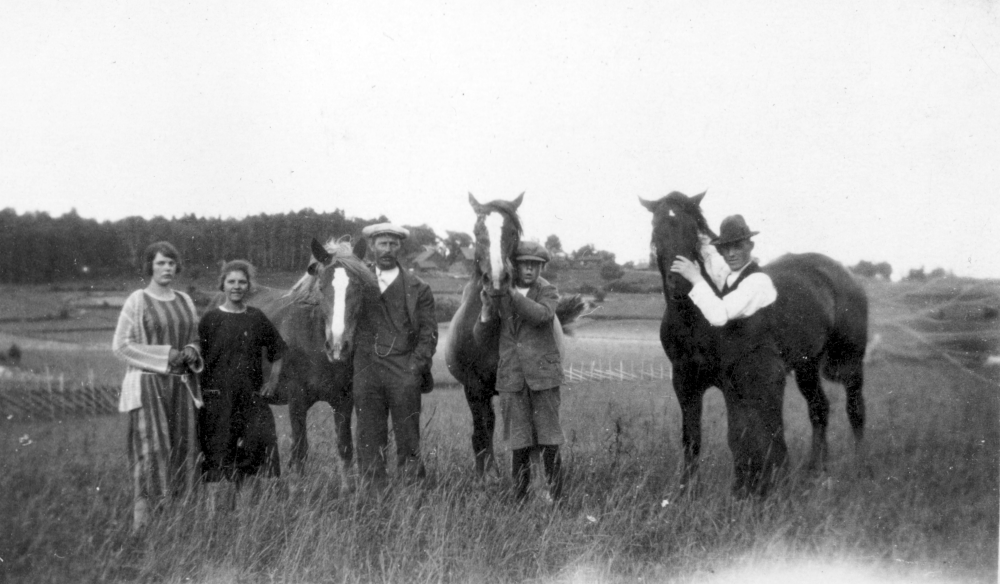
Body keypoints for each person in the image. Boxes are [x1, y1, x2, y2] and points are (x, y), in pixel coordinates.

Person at [669, 214, 788, 493]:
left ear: (750, 246)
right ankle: (745, 499)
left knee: (765, 439)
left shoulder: (757, 282)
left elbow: (719, 314)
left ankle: (773, 501)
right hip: (738, 375)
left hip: (761, 374)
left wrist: (695, 278)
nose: (731, 253)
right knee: (739, 438)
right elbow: (711, 259)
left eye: (738, 246)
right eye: (726, 248)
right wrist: (696, 236)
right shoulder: (731, 276)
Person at [112, 241, 203, 532]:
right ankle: (143, 524)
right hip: (148, 385)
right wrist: (166, 355)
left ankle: (178, 522)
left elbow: (195, 337)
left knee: (183, 448)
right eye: (160, 262)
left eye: (171, 263)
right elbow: (121, 346)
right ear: (150, 266)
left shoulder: (185, 300)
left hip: (181, 386)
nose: (166, 268)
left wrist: (190, 349)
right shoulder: (137, 300)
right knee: (152, 449)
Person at [474, 241, 565, 503]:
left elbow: (541, 316)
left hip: (543, 378)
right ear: (515, 265)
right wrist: (486, 310)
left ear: (542, 268)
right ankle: (520, 499)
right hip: (512, 378)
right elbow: (482, 338)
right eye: (525, 264)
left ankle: (556, 498)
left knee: (549, 439)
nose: (529, 270)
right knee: (519, 442)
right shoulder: (499, 296)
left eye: (535, 265)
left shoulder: (548, 291)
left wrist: (511, 293)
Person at [197, 260, 286, 511]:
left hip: (250, 398)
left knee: (254, 452)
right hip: (217, 400)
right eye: (231, 281)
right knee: (216, 455)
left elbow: (278, 351)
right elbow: (198, 355)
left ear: (249, 286)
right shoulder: (210, 319)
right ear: (222, 284)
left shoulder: (256, 317)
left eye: (242, 282)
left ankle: (246, 514)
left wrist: (273, 381)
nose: (237, 287)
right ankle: (215, 515)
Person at [352, 222, 437, 484]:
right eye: (382, 244)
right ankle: (373, 494)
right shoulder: (356, 282)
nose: (387, 249)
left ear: (399, 247)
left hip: (403, 369)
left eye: (393, 244)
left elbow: (429, 334)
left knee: (409, 436)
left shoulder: (418, 287)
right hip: (366, 369)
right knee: (368, 437)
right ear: (372, 247)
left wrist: (414, 368)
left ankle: (412, 493)